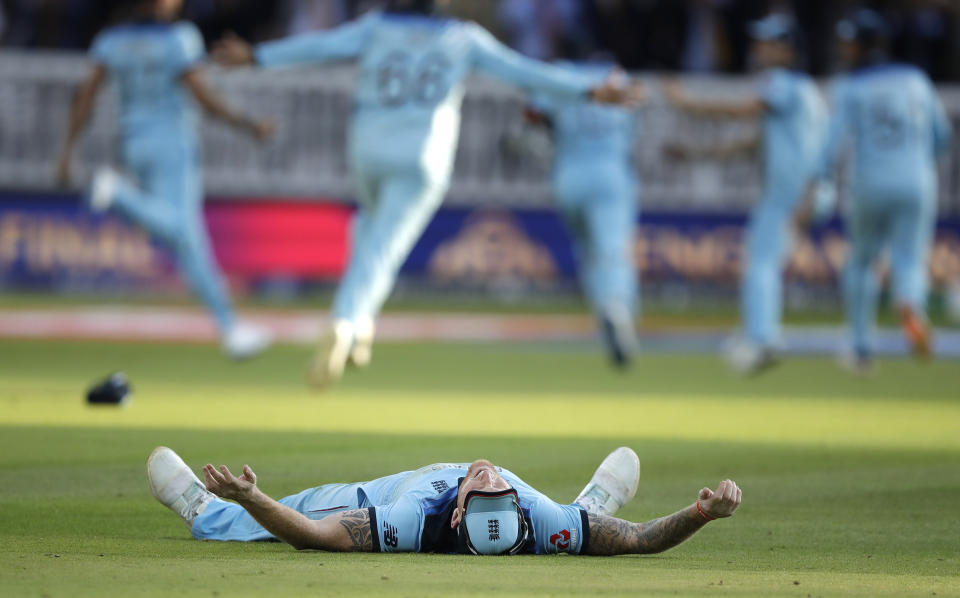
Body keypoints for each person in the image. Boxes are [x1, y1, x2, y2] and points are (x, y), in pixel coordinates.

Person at [210, 0, 641, 388]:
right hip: (423, 152)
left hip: (369, 145)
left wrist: (257, 55)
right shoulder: (462, 37)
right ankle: (345, 321)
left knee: (368, 225)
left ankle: (361, 324)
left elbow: (322, 45)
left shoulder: (377, 26)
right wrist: (588, 90)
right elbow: (523, 71)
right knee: (385, 246)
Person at [56, 0, 275, 360]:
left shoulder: (112, 40)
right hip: (173, 144)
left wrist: (67, 150)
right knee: (185, 236)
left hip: (133, 144)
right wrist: (248, 125)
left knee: (186, 242)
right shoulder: (180, 38)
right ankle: (117, 194)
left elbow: (85, 97)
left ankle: (230, 328)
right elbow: (203, 95)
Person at [147, 445, 742, 556]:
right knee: (582, 528)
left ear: (459, 512)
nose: (488, 476)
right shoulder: (532, 517)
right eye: (497, 486)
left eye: (485, 487)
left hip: (385, 493)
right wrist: (700, 513)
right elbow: (640, 540)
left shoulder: (411, 521)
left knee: (309, 508)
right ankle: (592, 506)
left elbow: (310, 537)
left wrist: (253, 498)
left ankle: (205, 511)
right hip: (555, 520)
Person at [664, 13, 828, 375]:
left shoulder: (782, 83)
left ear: (789, 51)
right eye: (759, 42)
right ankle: (760, 332)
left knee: (760, 263)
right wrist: (694, 153)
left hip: (790, 192)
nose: (759, 50)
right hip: (803, 190)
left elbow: (742, 112)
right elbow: (750, 145)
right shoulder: (803, 91)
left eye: (769, 43)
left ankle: (762, 338)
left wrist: (686, 102)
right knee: (764, 260)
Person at [812, 8, 953, 374]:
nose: (844, 48)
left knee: (861, 261)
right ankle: (910, 304)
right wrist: (918, 160)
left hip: (870, 182)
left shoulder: (852, 86)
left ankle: (860, 349)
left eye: (849, 42)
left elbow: (830, 146)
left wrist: (820, 180)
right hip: (918, 181)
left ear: (860, 45)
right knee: (909, 258)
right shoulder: (916, 80)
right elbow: (942, 137)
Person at [523, 57, 641, 369]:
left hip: (569, 175)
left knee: (588, 250)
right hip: (611, 171)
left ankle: (603, 310)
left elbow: (533, 115)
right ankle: (616, 306)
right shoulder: (618, 77)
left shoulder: (562, 74)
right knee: (613, 249)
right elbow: (633, 120)